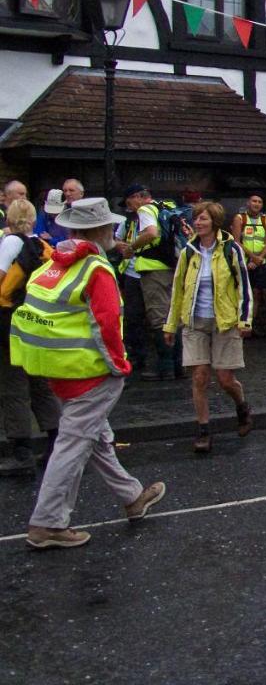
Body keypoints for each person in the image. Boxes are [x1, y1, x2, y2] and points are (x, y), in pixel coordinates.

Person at [10, 197, 166, 548]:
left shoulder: (52, 262)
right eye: (109, 225)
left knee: (93, 435)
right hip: (90, 371)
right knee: (73, 444)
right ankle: (47, 523)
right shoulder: (95, 268)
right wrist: (120, 365)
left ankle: (133, 496)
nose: (113, 230)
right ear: (99, 229)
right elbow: (108, 323)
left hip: (57, 369)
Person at [164, 201, 254, 453]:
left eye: (202, 219)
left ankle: (242, 406)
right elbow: (178, 290)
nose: (197, 223)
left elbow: (243, 287)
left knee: (226, 379)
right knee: (199, 376)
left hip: (224, 321)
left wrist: (245, 319)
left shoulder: (231, 250)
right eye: (196, 219)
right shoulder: (188, 252)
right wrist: (170, 325)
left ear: (214, 222)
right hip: (195, 321)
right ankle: (203, 430)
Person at [0, 199, 60, 477]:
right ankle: (55, 446)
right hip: (36, 321)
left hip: (8, 322)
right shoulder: (43, 246)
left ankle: (21, 452)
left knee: (13, 388)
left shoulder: (11, 243)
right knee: (40, 384)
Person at [116, 185, 180, 380]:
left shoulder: (145, 209)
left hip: (153, 270)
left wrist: (132, 248)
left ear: (138, 198)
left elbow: (151, 233)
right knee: (171, 315)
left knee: (159, 317)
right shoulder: (166, 207)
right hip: (170, 266)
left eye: (130, 203)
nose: (130, 208)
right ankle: (178, 365)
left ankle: (166, 367)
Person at [232, 193, 266, 337]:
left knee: (262, 294)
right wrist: (252, 258)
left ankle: (259, 325)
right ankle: (247, 325)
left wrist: (259, 258)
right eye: (254, 201)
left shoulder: (265, 220)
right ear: (248, 203)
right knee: (248, 295)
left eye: (260, 201)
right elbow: (237, 241)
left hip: (260, 263)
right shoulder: (240, 218)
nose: (257, 204)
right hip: (245, 263)